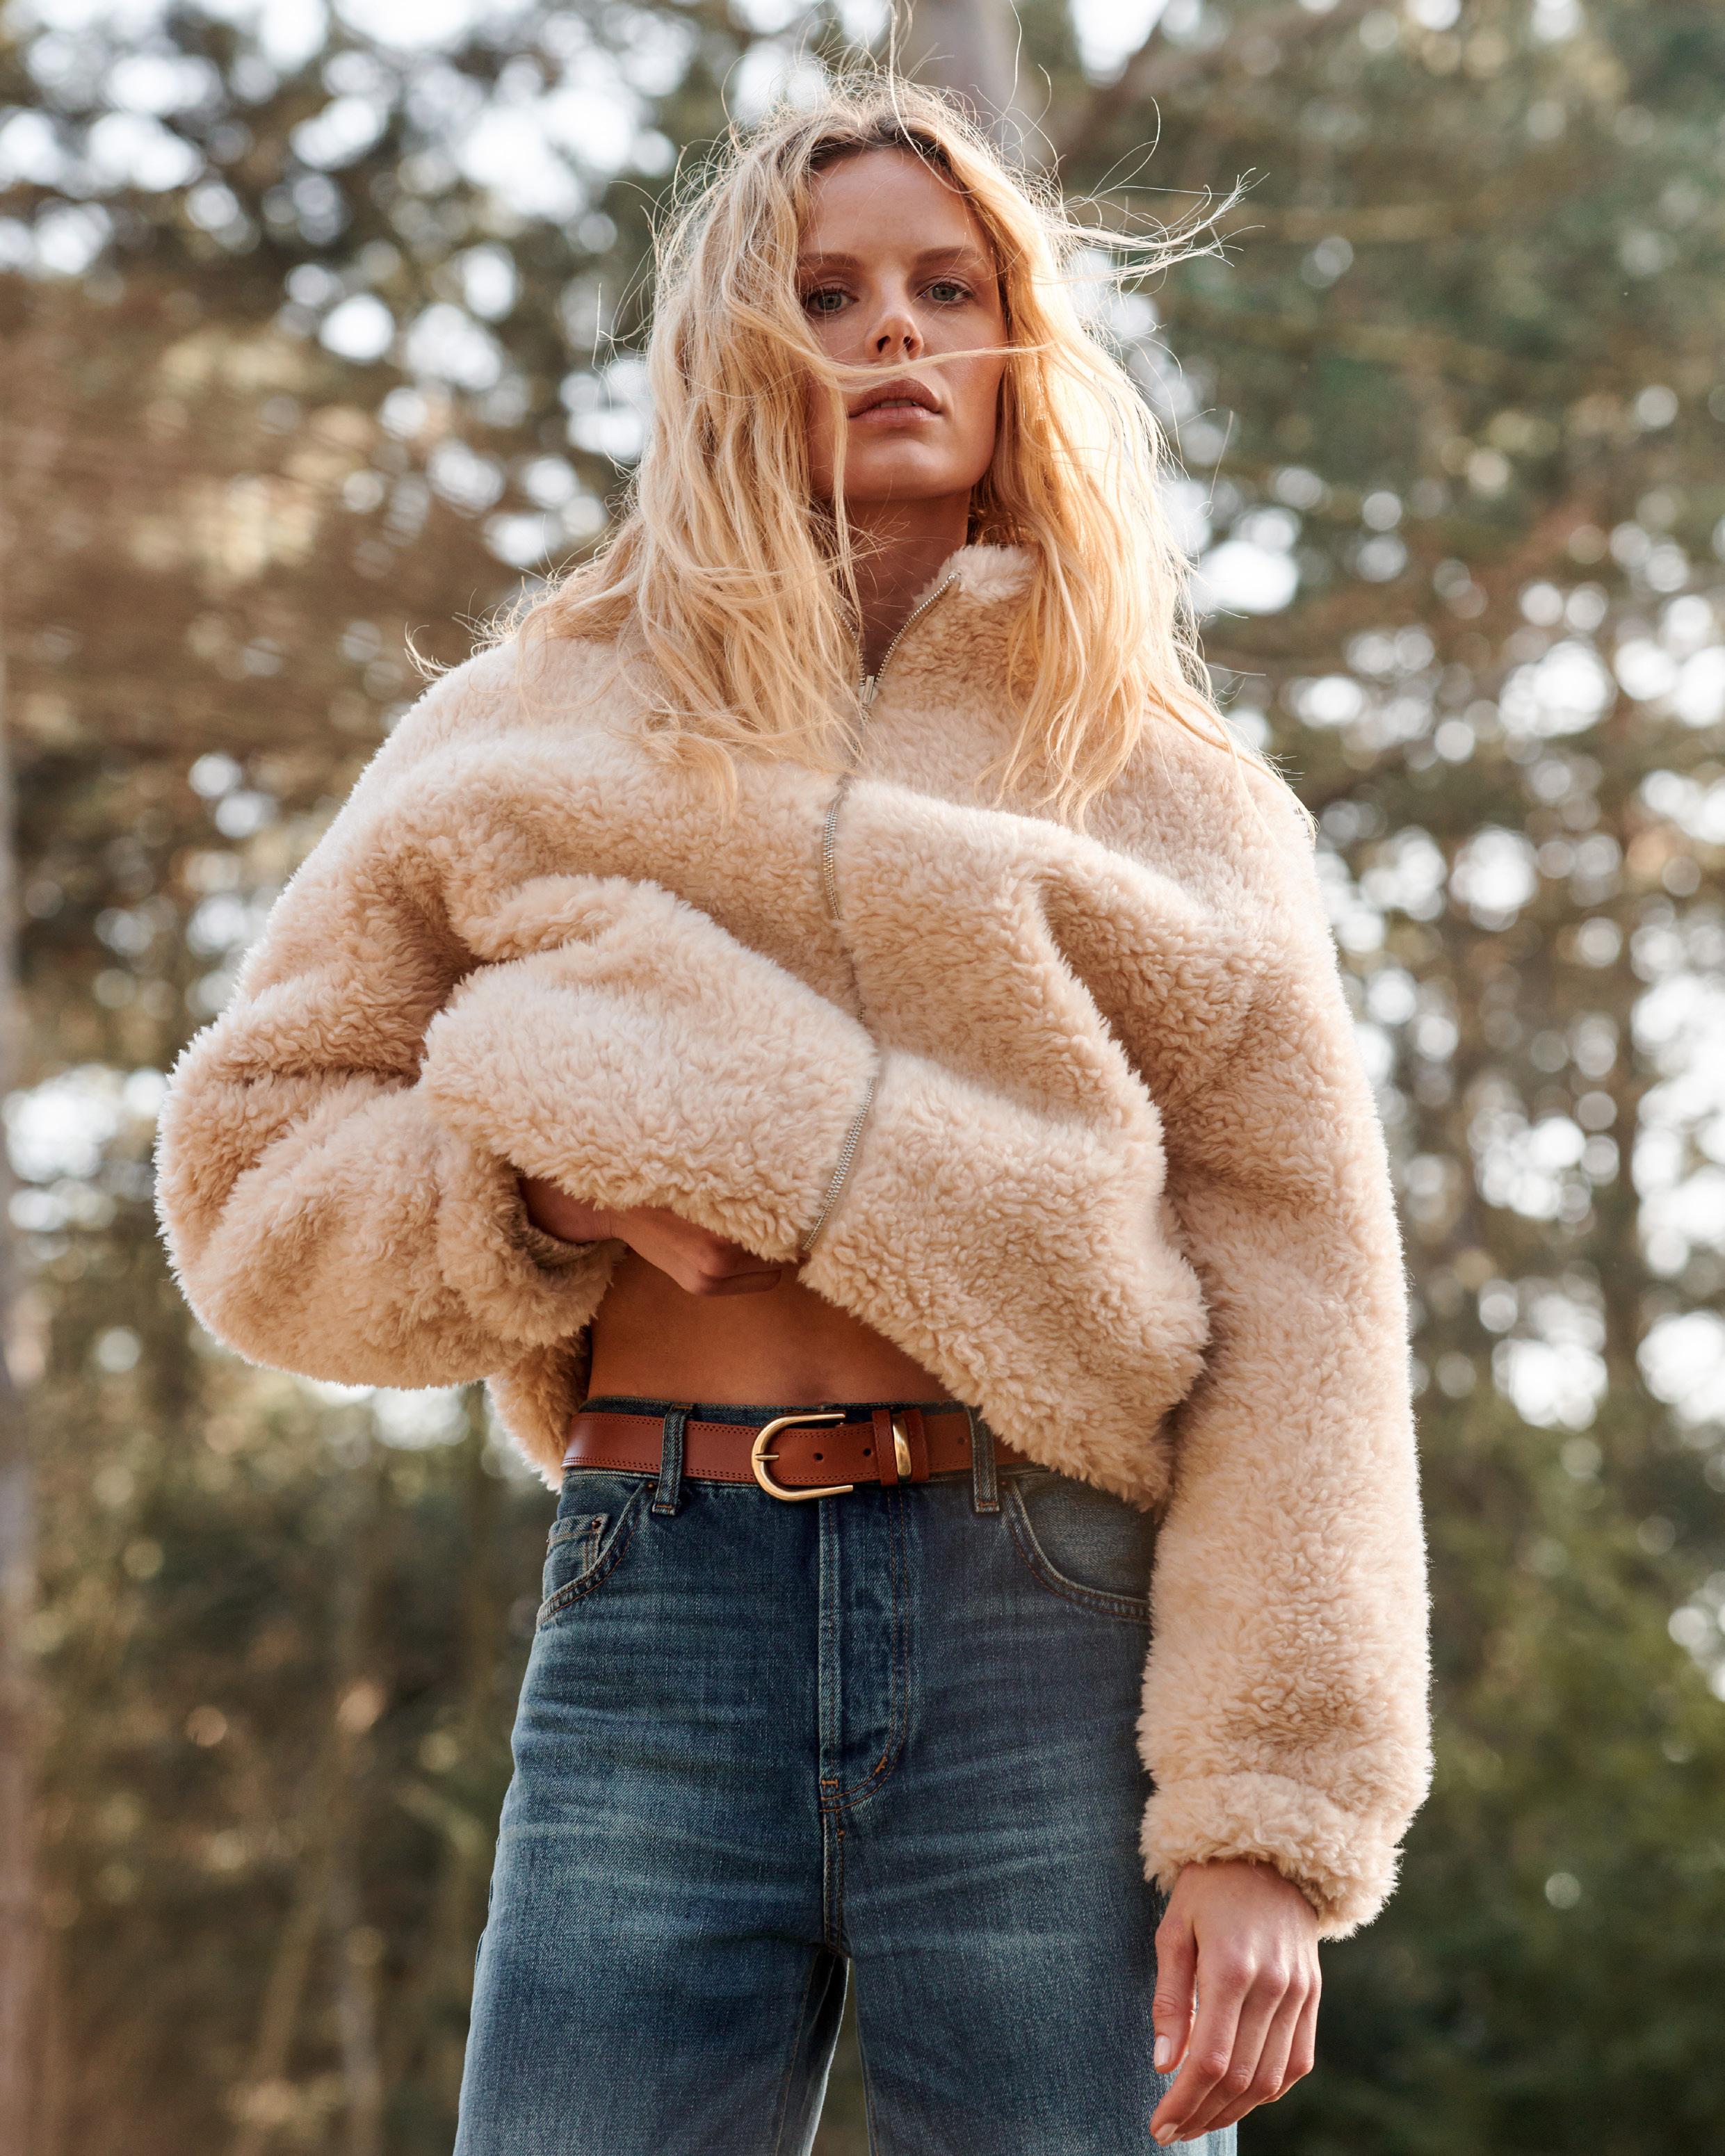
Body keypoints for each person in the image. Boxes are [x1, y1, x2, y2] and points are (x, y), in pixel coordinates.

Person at [155, 77, 1431, 2156]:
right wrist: (544, 1189)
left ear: (1020, 345)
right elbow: (249, 1172)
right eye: (826, 295)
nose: (894, 330)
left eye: (949, 289)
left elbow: (1305, 1308)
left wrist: (1268, 1814)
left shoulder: (1166, 783)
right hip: (654, 1602)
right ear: (730, 352)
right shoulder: (519, 724)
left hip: (1049, 1619)